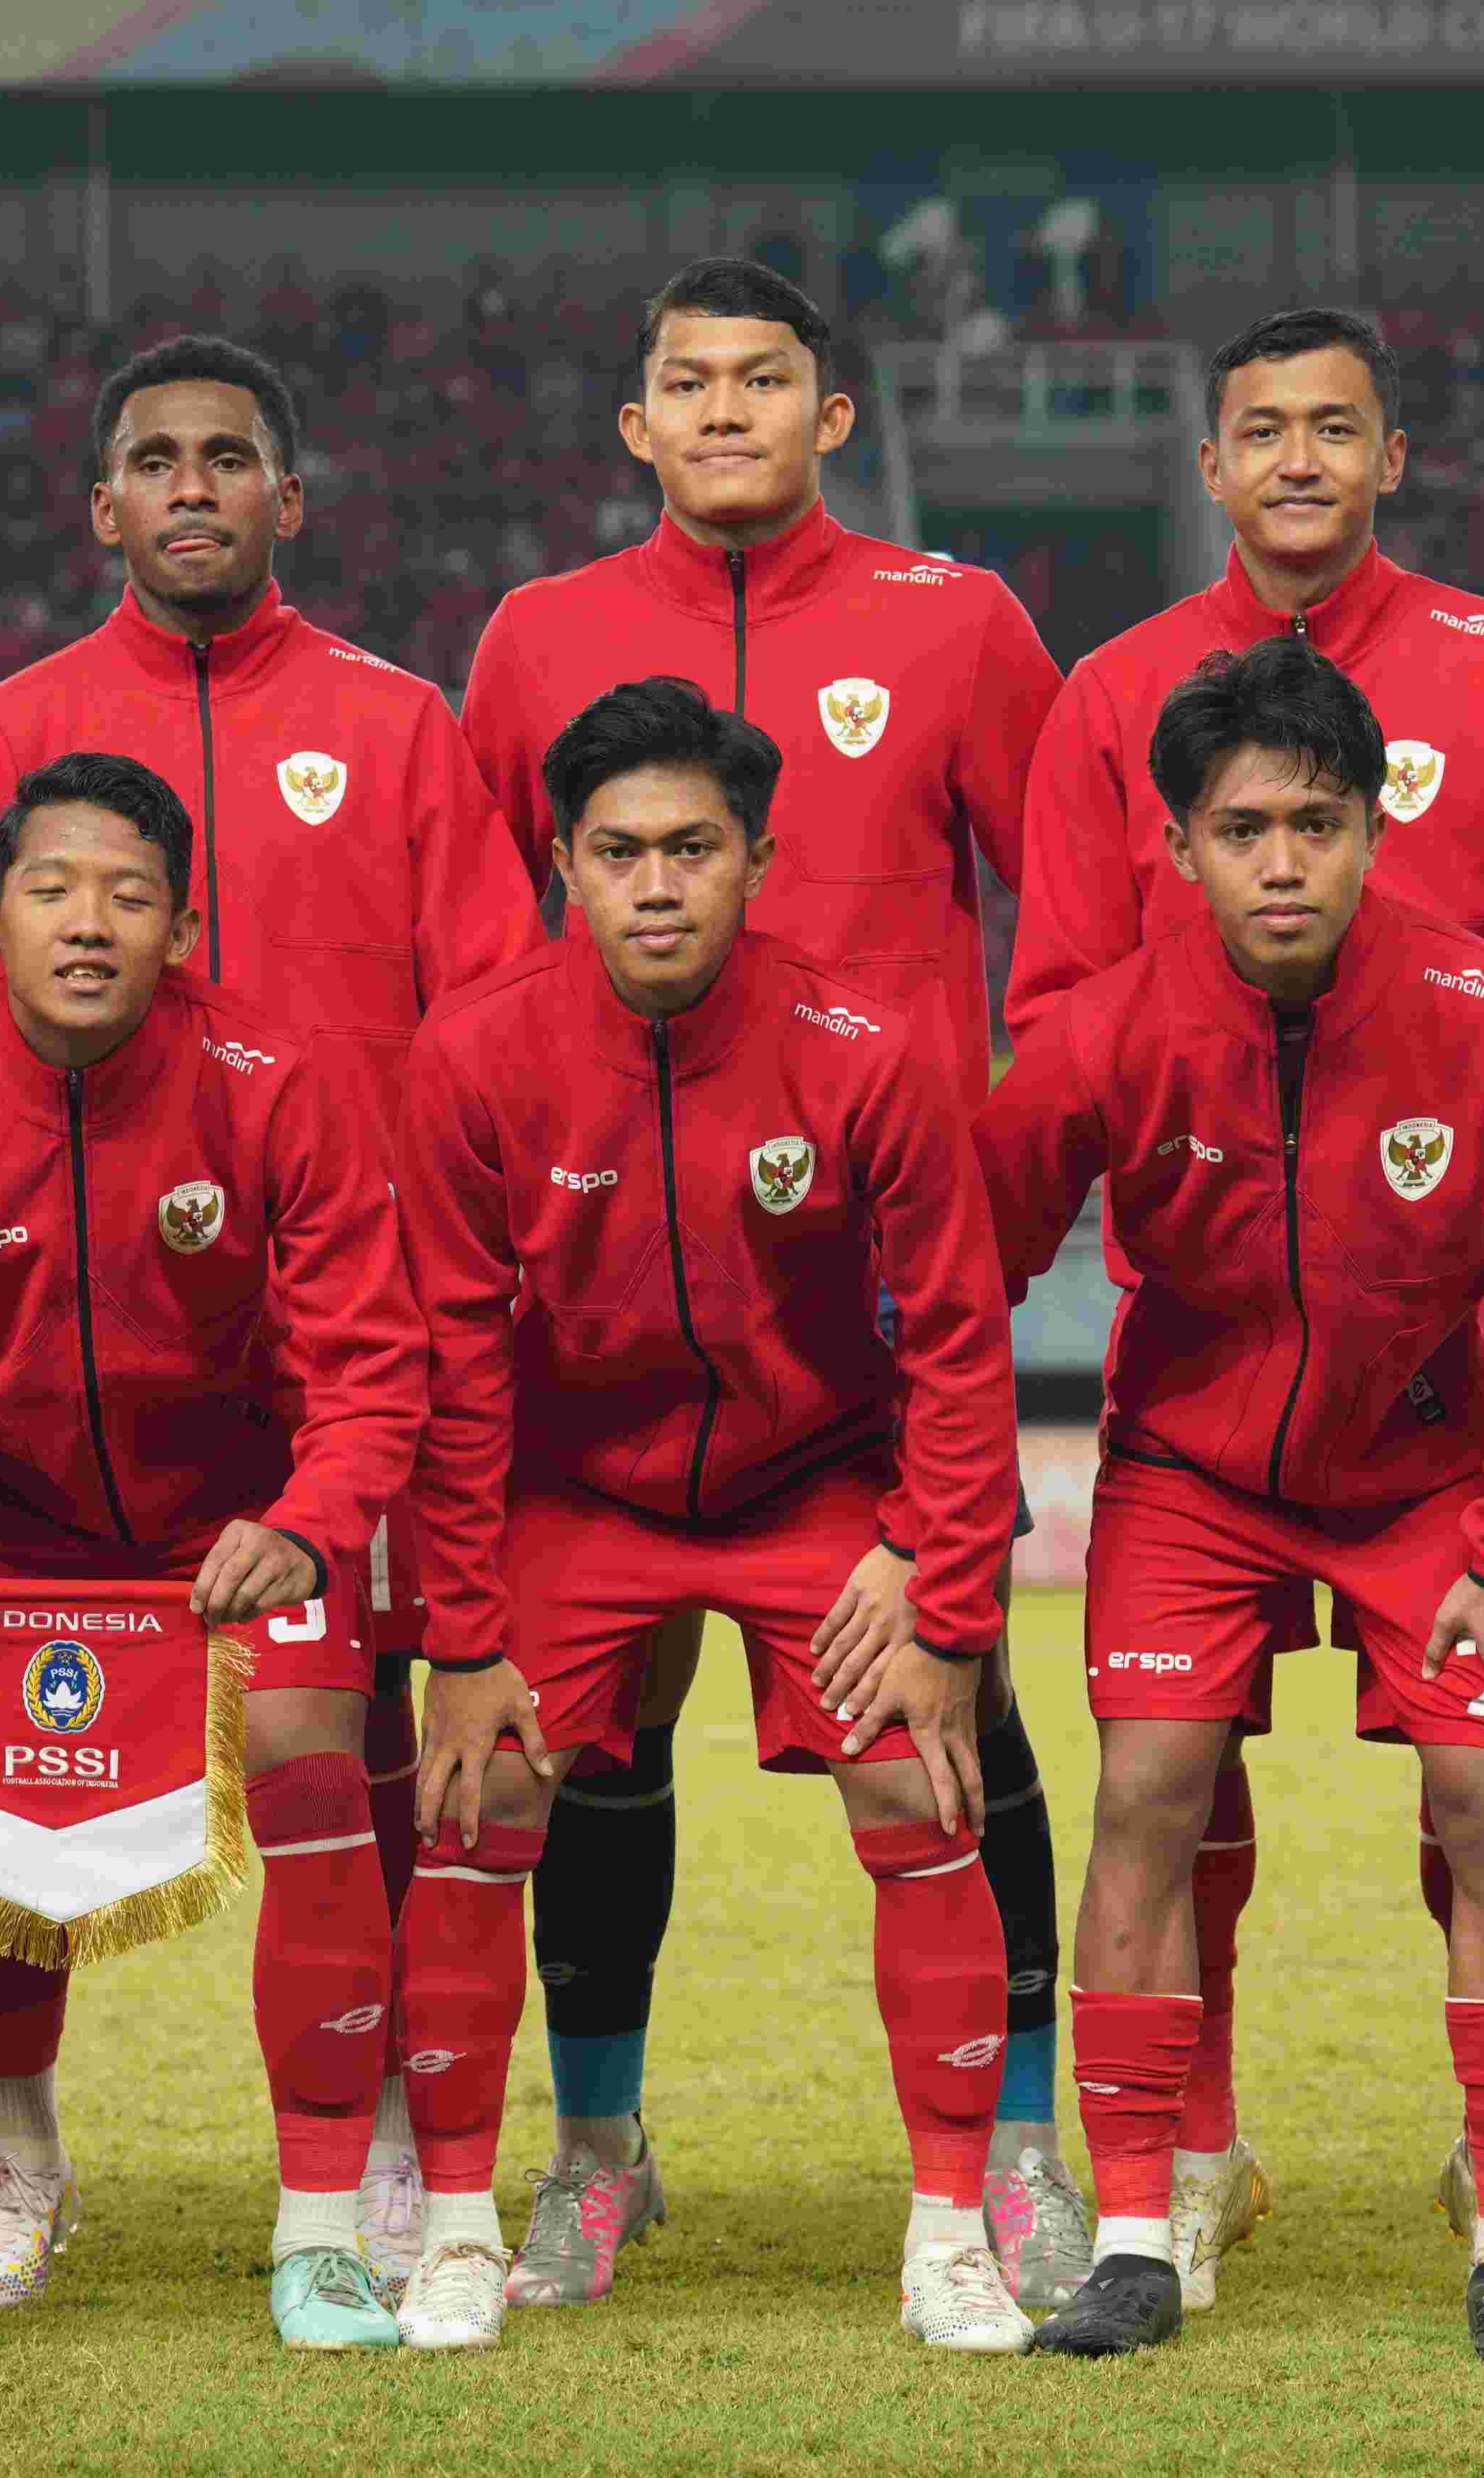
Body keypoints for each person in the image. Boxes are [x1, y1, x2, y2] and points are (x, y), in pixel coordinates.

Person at [456, 257, 1079, 2311]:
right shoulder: (539, 638)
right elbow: (481, 955)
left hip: (875, 1284)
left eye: (765, 381)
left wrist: (998, 1195)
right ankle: (598, 2148)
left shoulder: (955, 624)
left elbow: (1068, 929)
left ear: (834, 413)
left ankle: (1007, 2159)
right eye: (684, 385)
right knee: (589, 1749)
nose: (725, 411)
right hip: (604, 1309)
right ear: (632, 425)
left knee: (952, 1715)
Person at [1002, 305, 1484, 2305]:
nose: (1292, 459)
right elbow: (1065, 1028)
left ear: (1387, 457)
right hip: (1195, 1371)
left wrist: (1402, 1093)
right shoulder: (1108, 691)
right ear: (1208, 462)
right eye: (1256, 427)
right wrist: (1190, 1114)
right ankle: (1175, 2168)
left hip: (1417, 1322)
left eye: (1330, 428)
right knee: (1168, 1787)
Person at [0, 331, 539, 2303]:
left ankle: (355, 2146)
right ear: (101, 506)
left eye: (227, 459)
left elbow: (484, 1026)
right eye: (154, 461)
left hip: (346, 1343)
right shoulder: (8, 727)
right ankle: (14, 2153)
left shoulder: (393, 720)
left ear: (292, 500)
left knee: (343, 1752)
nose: (191, 487)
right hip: (73, 1357)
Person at [0, 751, 430, 2359]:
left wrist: (312, 1518)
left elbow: (374, 1363)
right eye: (53, 890)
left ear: (182, 924)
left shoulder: (278, 1081)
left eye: (129, 896)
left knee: (310, 1758)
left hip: (241, 1523)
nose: (88, 922)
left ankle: (326, 2231)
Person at [394, 678, 1028, 2357]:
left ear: (759, 857)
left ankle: (951, 2225)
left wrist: (941, 1586)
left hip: (810, 1482)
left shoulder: (863, 1053)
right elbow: (453, 1372)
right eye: (619, 852)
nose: (657, 885)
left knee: (914, 1764)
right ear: (563, 861)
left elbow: (960, 1342)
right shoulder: (474, 1052)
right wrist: (462, 1637)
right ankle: (478, 2212)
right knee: (478, 1788)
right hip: (572, 1485)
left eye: (692, 848)